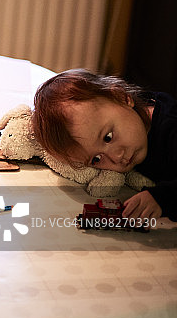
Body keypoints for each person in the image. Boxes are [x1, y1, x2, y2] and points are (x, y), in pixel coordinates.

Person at [31, 68, 177, 222]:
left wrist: (162, 198)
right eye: (96, 159)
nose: (116, 157)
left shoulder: (170, 127)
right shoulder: (130, 125)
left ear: (122, 97)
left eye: (108, 137)